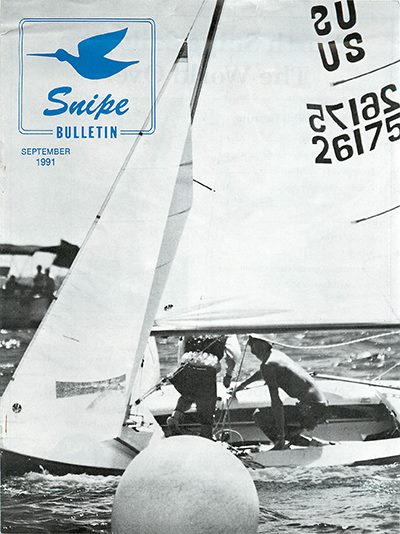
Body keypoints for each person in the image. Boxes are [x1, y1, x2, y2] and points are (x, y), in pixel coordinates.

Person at [234, 334, 328, 450]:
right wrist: (242, 385)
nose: (252, 350)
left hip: (311, 410)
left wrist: (281, 436)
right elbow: (262, 372)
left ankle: (282, 444)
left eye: (252, 344)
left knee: (259, 415)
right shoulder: (275, 355)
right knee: (281, 423)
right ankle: (311, 443)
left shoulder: (267, 365)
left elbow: (276, 403)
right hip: (320, 406)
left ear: (262, 345)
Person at [167, 334, 241, 439]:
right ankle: (207, 433)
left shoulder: (194, 326)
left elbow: (182, 345)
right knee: (208, 404)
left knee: (188, 395)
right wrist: (228, 375)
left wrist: (180, 367)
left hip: (187, 363)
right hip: (208, 367)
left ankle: (175, 417)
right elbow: (234, 355)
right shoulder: (226, 330)